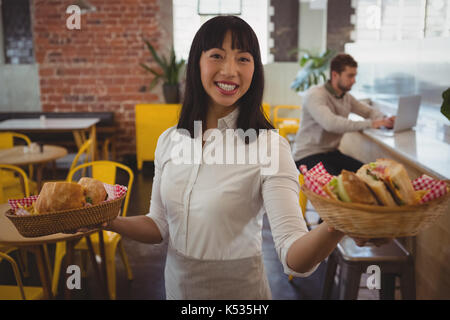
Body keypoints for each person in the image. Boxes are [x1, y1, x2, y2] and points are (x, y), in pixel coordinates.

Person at [104, 16, 375, 300]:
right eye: (217, 56)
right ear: (197, 63)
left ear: (255, 70)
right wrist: (107, 221)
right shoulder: (170, 140)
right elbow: (158, 226)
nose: (230, 70)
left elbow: (294, 256)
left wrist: (337, 225)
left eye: (243, 59)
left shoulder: (269, 146)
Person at [292, 53, 395, 176]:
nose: (354, 80)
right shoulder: (315, 95)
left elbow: (368, 111)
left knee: (370, 175)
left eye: (355, 76)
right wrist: (371, 124)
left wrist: (385, 119)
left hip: (331, 153)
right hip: (307, 155)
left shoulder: (346, 97)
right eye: (350, 76)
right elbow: (331, 124)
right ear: (335, 75)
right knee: (338, 186)